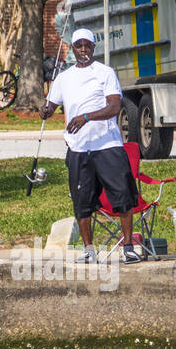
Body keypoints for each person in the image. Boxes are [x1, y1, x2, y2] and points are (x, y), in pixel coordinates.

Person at [41, 28, 141, 263]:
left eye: (88, 45)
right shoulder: (64, 77)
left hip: (107, 146)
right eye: (79, 46)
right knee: (82, 202)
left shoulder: (105, 73)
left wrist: (85, 117)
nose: (83, 49)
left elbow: (114, 107)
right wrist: (44, 109)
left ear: (94, 48)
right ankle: (89, 251)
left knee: (123, 196)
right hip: (78, 149)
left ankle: (128, 248)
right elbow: (50, 106)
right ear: (73, 49)